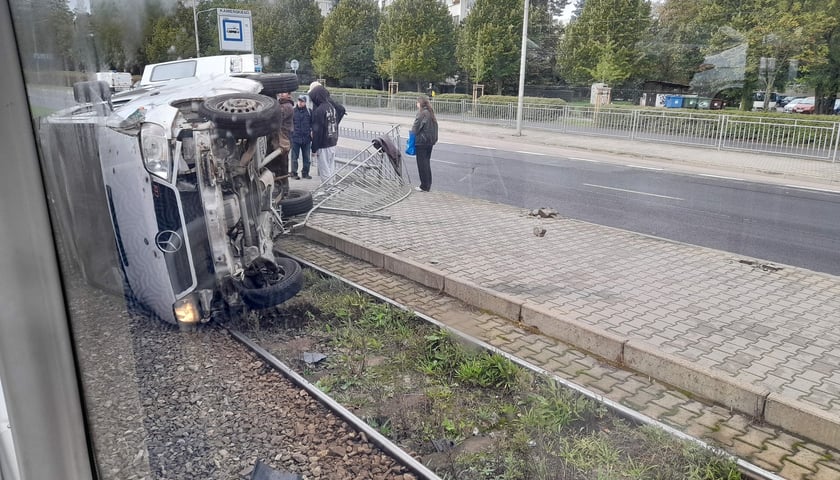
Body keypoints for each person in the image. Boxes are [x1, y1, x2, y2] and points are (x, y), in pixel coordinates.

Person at [308, 84, 346, 185]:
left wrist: (314, 148)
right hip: (332, 141)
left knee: (324, 169)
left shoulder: (319, 111)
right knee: (330, 167)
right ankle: (332, 187)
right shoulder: (331, 107)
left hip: (323, 144)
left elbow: (317, 132)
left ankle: (328, 190)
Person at [267, 90, 294, 195]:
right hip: (279, 137)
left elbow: (277, 117)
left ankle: (283, 188)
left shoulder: (287, 106)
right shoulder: (281, 104)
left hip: (283, 138)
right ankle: (281, 185)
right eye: (281, 92)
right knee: (279, 162)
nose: (282, 93)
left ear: (289, 95)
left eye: (285, 92)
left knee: (281, 163)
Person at [411, 94, 438, 192]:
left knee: (421, 164)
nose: (416, 104)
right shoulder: (430, 113)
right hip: (430, 141)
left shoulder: (421, 113)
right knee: (426, 162)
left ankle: (424, 186)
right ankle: (428, 184)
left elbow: (415, 127)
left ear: (420, 104)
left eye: (417, 103)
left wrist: (411, 138)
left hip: (421, 141)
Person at [290, 94, 312, 179]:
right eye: (299, 100)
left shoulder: (309, 112)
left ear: (305, 102)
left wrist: (312, 132)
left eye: (302, 101)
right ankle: (294, 173)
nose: (300, 102)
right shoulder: (293, 111)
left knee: (306, 158)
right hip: (295, 138)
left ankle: (305, 173)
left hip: (306, 139)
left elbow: (312, 124)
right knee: (294, 158)